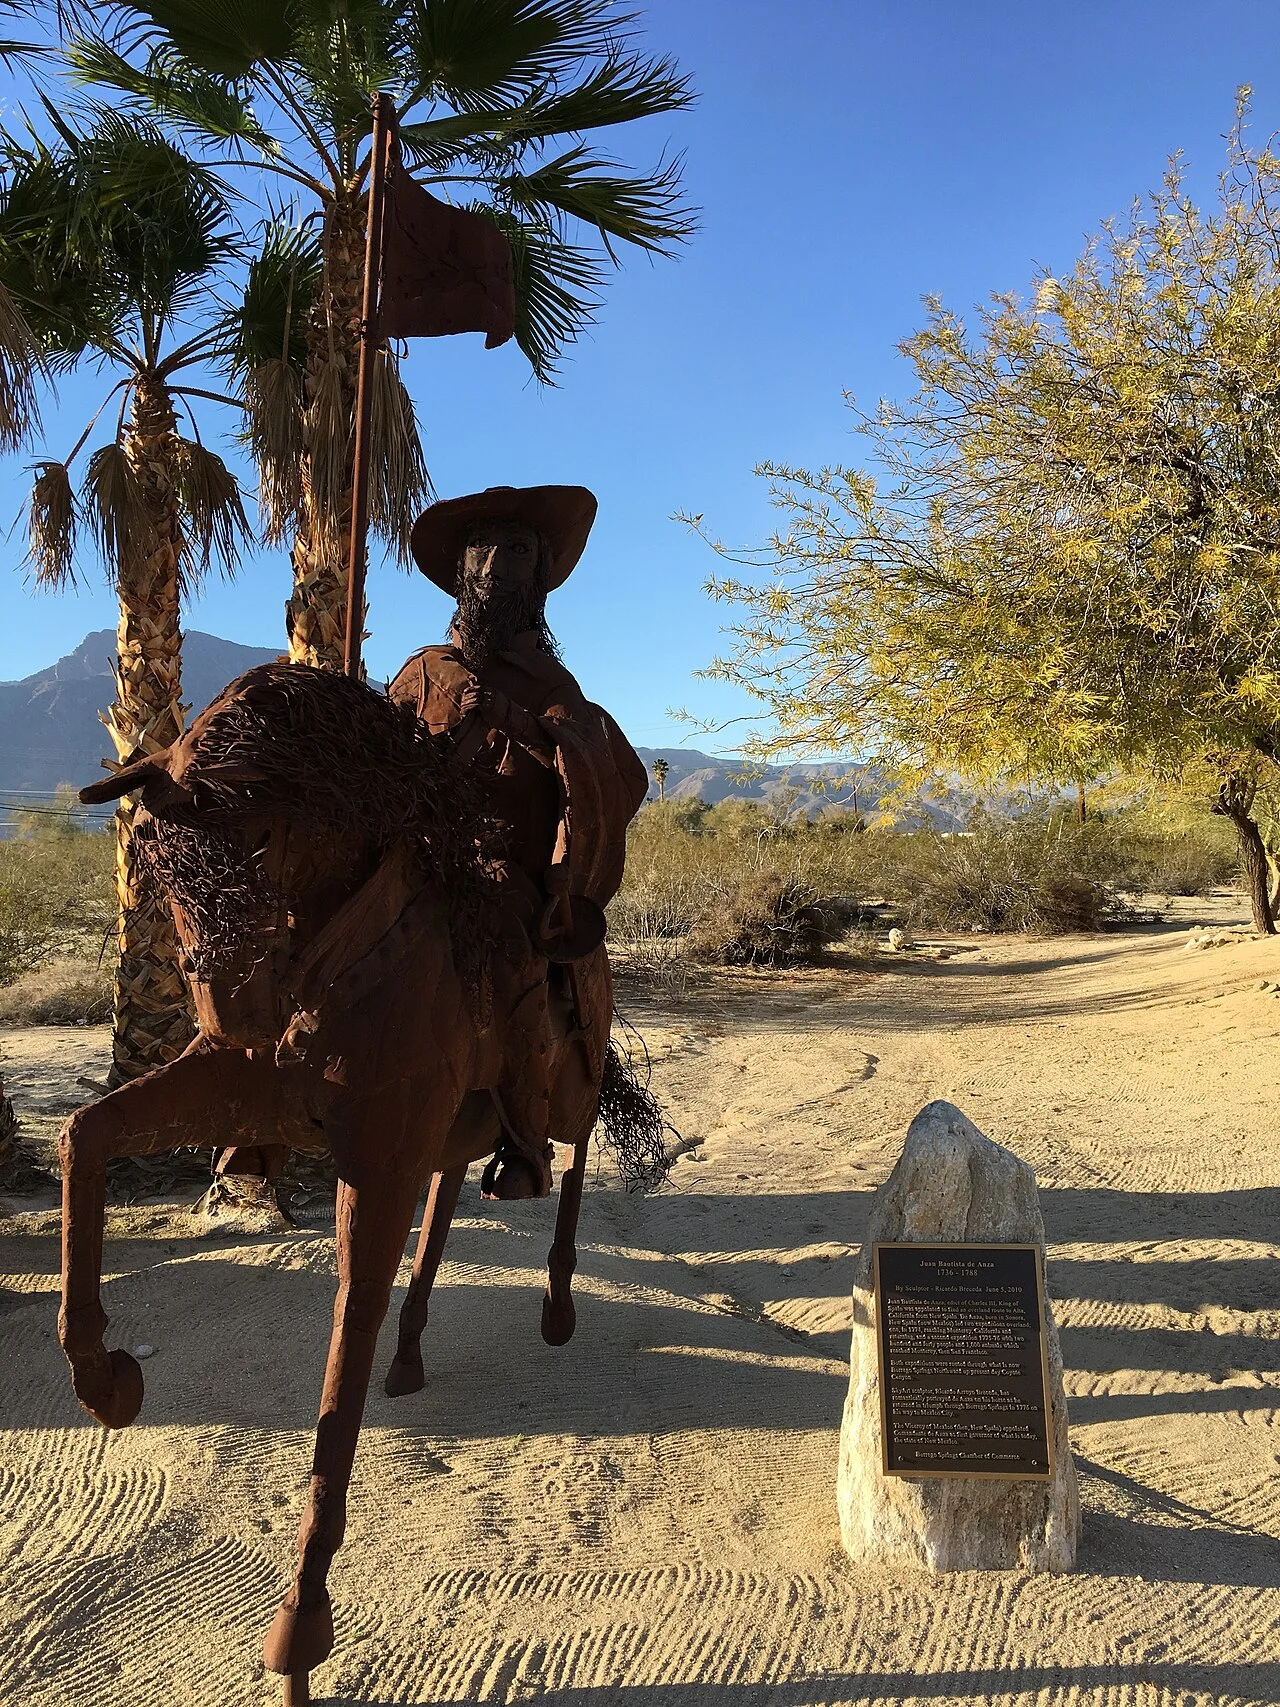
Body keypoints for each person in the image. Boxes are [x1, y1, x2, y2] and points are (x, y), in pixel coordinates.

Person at [389, 485, 648, 1198]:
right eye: (485, 549)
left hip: (504, 869)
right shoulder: (422, 673)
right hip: (418, 859)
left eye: (520, 551)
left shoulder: (549, 681)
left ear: (536, 577)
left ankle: (523, 1139)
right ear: (462, 570)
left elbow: (597, 761)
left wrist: (516, 721)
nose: (499, 562)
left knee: (510, 939)